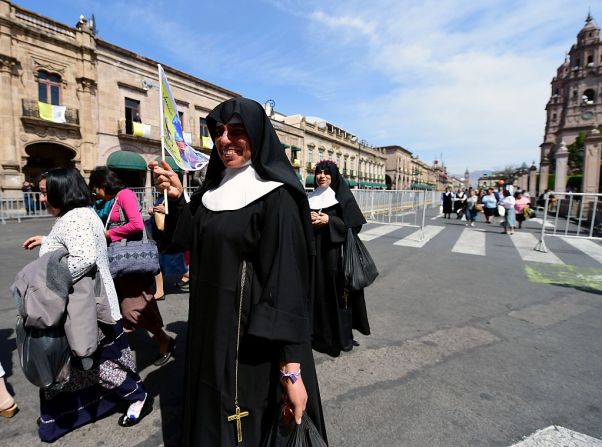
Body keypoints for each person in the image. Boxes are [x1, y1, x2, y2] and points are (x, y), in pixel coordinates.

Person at [150, 97, 326, 446]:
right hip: (207, 332)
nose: (224, 139)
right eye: (219, 131)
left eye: (237, 131)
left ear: (258, 135)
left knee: (245, 421)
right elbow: (187, 240)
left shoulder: (277, 198)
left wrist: (292, 372)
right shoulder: (213, 189)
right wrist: (178, 197)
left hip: (251, 342)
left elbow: (287, 285)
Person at [22, 168, 151, 442]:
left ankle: (137, 398)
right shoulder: (79, 215)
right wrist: (50, 241)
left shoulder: (76, 217)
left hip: (89, 311)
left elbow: (83, 258)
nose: (41, 197)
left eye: (46, 191)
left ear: (62, 190)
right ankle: (59, 419)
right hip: (87, 308)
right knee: (83, 368)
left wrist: (44, 283)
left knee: (104, 366)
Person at [88, 167, 175, 367]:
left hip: (128, 262)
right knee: (119, 305)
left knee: (135, 305)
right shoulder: (104, 202)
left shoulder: (124, 194)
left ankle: (164, 340)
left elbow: (136, 224)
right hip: (114, 262)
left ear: (103, 184)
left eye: (96, 189)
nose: (95, 193)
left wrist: (109, 234)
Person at [308, 160, 370, 357]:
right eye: (319, 172)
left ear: (334, 176)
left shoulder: (341, 197)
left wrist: (329, 221)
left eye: (327, 173)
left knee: (335, 295)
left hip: (335, 256)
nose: (322, 176)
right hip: (313, 256)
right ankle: (315, 334)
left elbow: (354, 226)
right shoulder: (309, 197)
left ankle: (338, 337)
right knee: (314, 293)